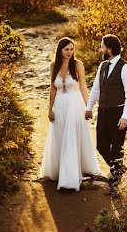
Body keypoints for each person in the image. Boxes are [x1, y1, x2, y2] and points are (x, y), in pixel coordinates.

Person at [39, 37, 101, 191]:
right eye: (66, 49)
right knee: (60, 135)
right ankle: (59, 171)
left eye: (72, 49)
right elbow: (52, 88)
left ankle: (71, 175)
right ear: (60, 50)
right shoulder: (54, 65)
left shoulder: (78, 64)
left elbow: (84, 87)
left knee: (72, 137)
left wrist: (89, 107)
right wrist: (50, 109)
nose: (69, 52)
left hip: (75, 105)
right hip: (60, 105)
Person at [85, 34, 127, 194]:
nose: (100, 49)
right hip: (103, 111)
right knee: (101, 146)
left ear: (109, 49)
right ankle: (119, 169)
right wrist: (89, 107)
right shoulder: (103, 66)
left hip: (118, 113)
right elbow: (96, 89)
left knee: (116, 148)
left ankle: (115, 183)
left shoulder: (126, 68)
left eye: (102, 46)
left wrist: (125, 116)